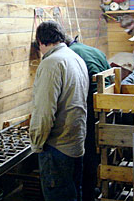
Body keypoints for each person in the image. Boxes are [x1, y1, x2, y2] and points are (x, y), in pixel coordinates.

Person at [30, 20, 89, 201]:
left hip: (57, 147)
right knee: (73, 194)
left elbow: (44, 112)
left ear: (40, 42)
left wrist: (37, 144)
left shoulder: (51, 64)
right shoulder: (75, 58)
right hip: (76, 142)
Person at [65, 36, 110, 201]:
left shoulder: (70, 53)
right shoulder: (95, 51)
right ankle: (96, 187)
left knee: (88, 150)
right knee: (98, 148)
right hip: (106, 102)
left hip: (90, 103)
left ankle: (88, 193)